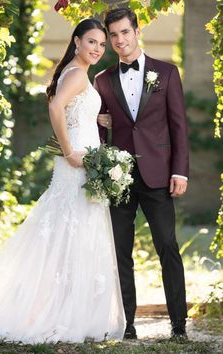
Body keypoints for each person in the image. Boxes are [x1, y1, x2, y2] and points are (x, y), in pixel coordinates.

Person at [0, 19, 125, 344]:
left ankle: (63, 310)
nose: (97, 49)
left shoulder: (77, 73)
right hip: (75, 162)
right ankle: (52, 313)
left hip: (83, 161)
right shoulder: (77, 73)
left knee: (69, 231)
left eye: (102, 45)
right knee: (70, 230)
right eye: (91, 42)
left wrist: (96, 118)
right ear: (76, 41)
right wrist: (70, 152)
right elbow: (56, 106)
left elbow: (73, 110)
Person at [95, 8, 189, 340]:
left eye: (125, 32)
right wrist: (99, 121)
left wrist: (180, 171)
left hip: (159, 175)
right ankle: (128, 324)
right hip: (119, 179)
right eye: (114, 35)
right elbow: (97, 127)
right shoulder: (101, 80)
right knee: (121, 251)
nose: (120, 40)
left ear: (137, 31)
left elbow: (178, 126)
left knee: (168, 246)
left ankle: (179, 325)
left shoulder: (166, 72)